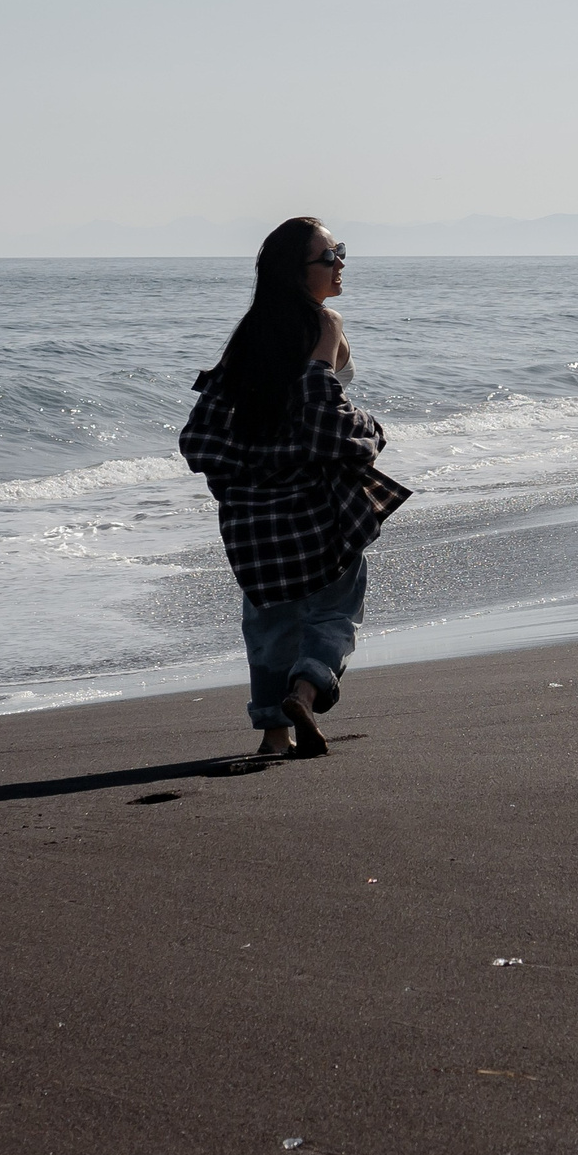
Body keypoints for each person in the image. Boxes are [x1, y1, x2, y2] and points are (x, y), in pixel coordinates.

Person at [179, 218, 409, 758]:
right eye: (330, 256)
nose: (341, 263)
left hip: (253, 518)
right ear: (296, 273)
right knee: (333, 611)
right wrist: (370, 432)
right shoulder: (324, 323)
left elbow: (199, 436)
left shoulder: (249, 335)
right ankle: (305, 691)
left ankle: (273, 734)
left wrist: (251, 472)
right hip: (317, 509)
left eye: (339, 252)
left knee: (268, 625)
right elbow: (323, 417)